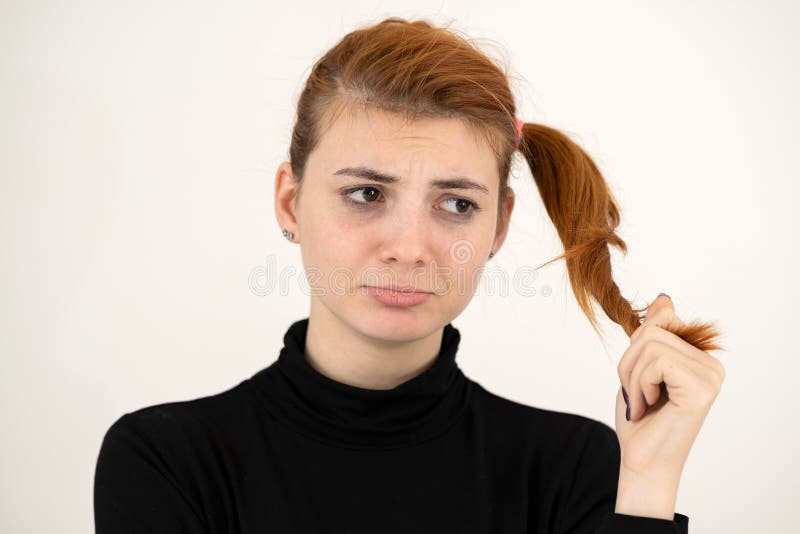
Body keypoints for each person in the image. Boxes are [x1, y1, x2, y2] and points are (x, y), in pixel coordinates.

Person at [93, 16, 726, 533]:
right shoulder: (168, 462)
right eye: (366, 194)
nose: (410, 248)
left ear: (499, 226)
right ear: (291, 202)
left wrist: (647, 483)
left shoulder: (580, 468)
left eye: (457, 205)